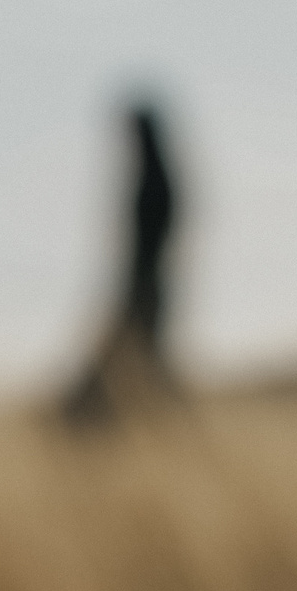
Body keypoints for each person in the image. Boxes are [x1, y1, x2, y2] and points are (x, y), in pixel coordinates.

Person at [59, 97, 182, 428]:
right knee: (136, 362)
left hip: (142, 286)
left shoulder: (154, 181)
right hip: (144, 285)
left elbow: (150, 240)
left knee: (130, 360)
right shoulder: (157, 175)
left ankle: (85, 423)